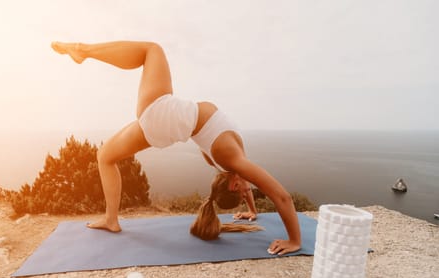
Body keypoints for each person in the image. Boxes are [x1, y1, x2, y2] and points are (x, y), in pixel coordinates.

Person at [51, 40, 301, 255]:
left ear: (234, 184)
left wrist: (294, 241)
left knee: (152, 50)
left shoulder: (232, 161)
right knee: (104, 156)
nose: (250, 187)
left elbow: (281, 196)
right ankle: (111, 220)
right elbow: (243, 187)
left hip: (163, 114)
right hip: (164, 129)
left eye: (244, 187)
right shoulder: (229, 168)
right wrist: (251, 211)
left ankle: (83, 50)